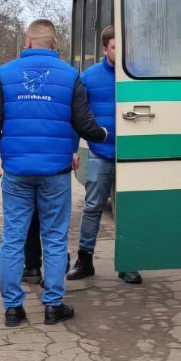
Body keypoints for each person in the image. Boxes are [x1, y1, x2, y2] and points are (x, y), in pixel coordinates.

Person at [0, 19, 108, 328]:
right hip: (55, 171)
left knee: (13, 237)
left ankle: (13, 308)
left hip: (17, 169)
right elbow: (83, 123)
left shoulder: (4, 73)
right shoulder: (70, 76)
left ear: (27, 42)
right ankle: (53, 305)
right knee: (53, 236)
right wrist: (103, 134)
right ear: (54, 43)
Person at [67, 26, 140, 284]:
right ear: (105, 49)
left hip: (132, 155)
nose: (119, 54)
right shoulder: (89, 77)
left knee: (130, 210)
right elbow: (76, 115)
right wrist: (73, 149)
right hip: (100, 154)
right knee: (93, 207)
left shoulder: (139, 75)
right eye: (114, 48)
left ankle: (129, 263)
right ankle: (84, 261)